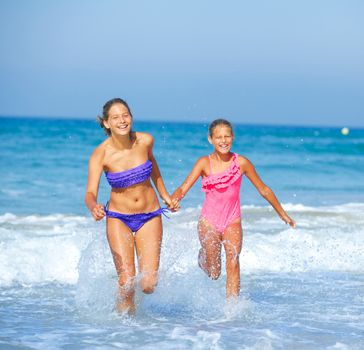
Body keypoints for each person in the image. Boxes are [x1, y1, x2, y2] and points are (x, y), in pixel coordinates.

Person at [171, 119, 296, 299]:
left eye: (227, 136)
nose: (223, 141)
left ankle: (232, 309)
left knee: (233, 260)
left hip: (232, 220)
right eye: (218, 137)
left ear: (233, 137)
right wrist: (174, 200)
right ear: (210, 140)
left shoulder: (241, 162)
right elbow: (183, 188)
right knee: (214, 273)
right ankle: (203, 258)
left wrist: (282, 214)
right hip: (209, 221)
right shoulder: (204, 163)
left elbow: (264, 189)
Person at [85, 98, 175, 313]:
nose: (122, 120)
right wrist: (93, 206)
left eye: (125, 115)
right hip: (118, 218)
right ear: (106, 123)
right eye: (115, 117)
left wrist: (165, 195)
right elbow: (90, 192)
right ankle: (124, 333)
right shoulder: (101, 154)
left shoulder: (145, 141)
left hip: (150, 215)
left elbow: (153, 167)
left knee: (148, 285)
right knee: (126, 283)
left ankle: (138, 314)